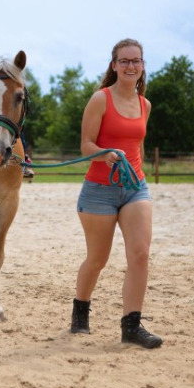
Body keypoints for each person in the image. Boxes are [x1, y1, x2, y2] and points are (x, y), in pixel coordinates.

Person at [70, 38, 162, 349]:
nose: (130, 66)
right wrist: (105, 153)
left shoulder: (144, 104)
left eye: (136, 61)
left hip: (135, 187)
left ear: (142, 66)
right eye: (124, 61)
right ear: (114, 65)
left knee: (140, 253)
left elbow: (137, 145)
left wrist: (132, 171)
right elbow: (86, 146)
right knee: (98, 259)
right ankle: (80, 309)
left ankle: (131, 326)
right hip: (99, 190)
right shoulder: (100, 99)